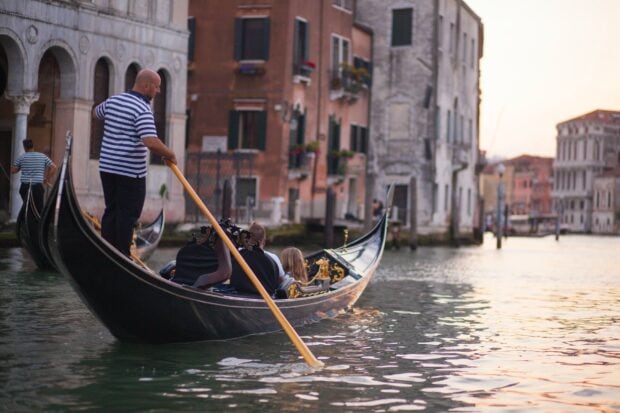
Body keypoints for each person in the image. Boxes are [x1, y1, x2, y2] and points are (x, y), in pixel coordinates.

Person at [93, 68, 177, 257]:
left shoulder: (114, 101)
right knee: (127, 215)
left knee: (112, 211)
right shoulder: (142, 109)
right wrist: (170, 153)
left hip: (107, 167)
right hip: (130, 173)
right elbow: (150, 141)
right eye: (157, 87)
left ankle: (106, 252)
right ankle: (121, 256)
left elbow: (96, 113)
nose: (158, 91)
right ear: (146, 85)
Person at [229, 222, 280, 295]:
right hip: (264, 299)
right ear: (263, 241)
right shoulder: (272, 260)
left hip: (237, 295)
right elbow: (275, 285)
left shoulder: (236, 256)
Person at [11, 139, 56, 215]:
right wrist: (46, 178)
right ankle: (39, 224)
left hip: (25, 186)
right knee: (39, 208)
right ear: (32, 146)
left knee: (27, 208)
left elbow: (13, 171)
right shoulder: (42, 156)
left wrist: (20, 167)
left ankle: (28, 221)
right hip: (37, 187)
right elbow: (54, 167)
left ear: (24, 147)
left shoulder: (22, 157)